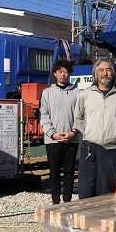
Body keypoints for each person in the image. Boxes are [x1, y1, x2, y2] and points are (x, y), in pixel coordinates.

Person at [74, 57, 116, 199]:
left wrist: (114, 134)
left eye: (108, 70)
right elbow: (78, 119)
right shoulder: (85, 94)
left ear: (113, 73)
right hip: (89, 148)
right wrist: (89, 132)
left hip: (110, 150)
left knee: (105, 192)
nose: (105, 73)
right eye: (101, 70)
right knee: (86, 191)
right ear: (95, 73)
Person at [39, 59, 80, 204]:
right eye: (60, 71)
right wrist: (53, 134)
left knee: (69, 172)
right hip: (52, 140)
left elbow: (80, 115)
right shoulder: (47, 93)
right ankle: (55, 202)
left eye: (66, 72)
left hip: (71, 139)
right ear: (55, 73)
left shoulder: (77, 93)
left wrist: (73, 132)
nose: (63, 74)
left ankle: (67, 201)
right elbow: (43, 115)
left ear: (69, 74)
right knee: (54, 173)